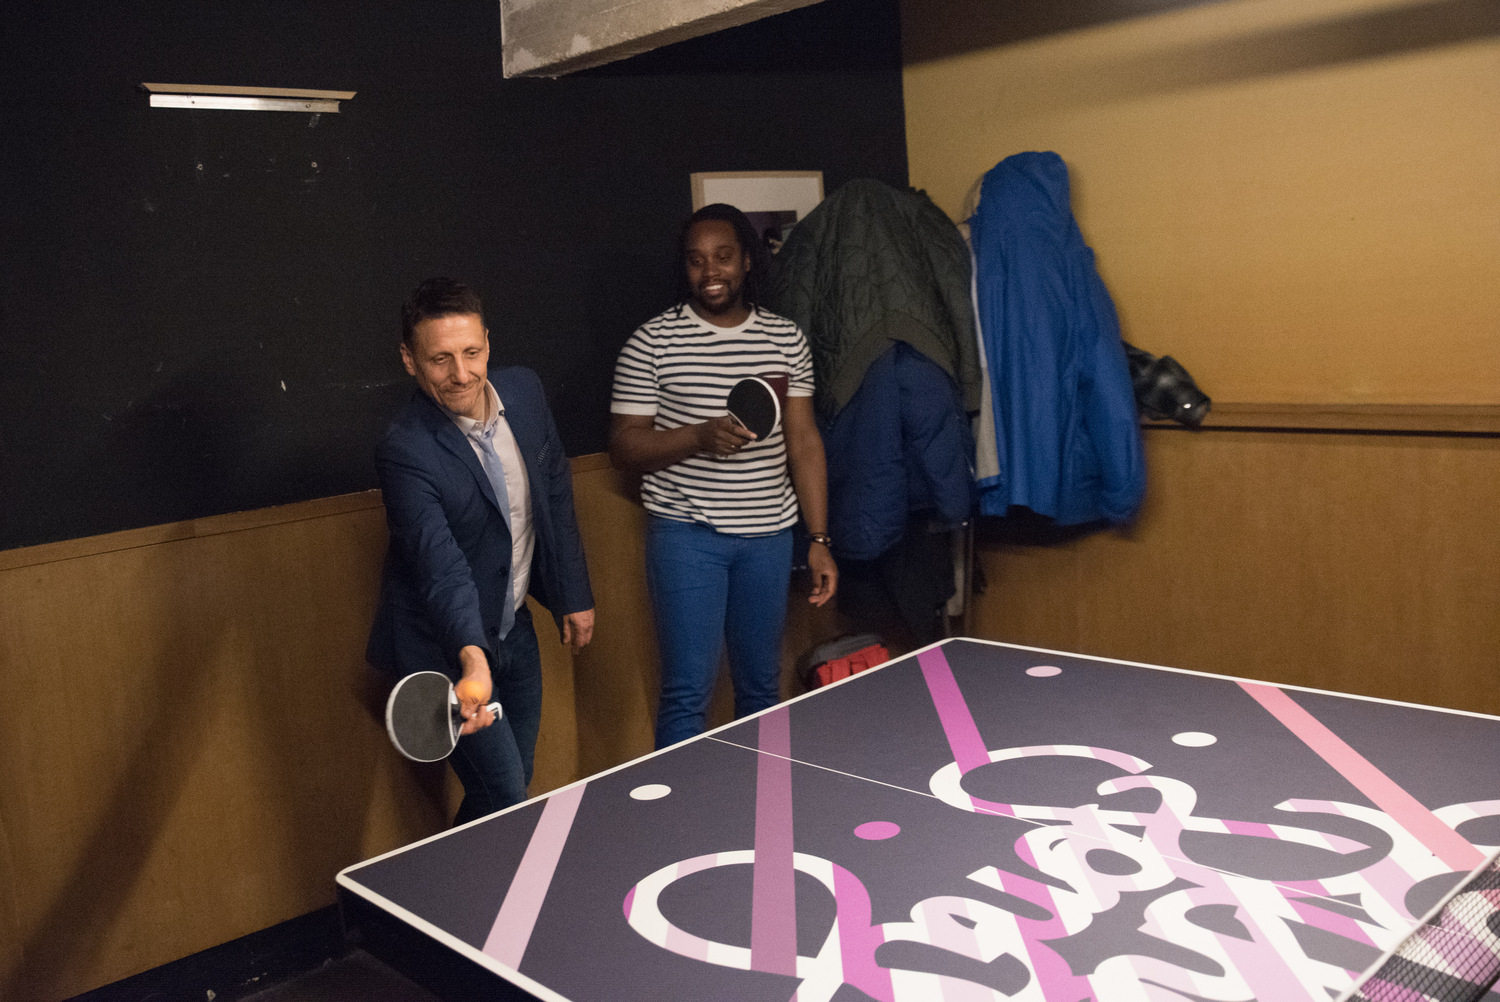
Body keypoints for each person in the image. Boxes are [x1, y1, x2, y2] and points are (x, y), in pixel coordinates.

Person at [367, 277, 595, 824]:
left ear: (488, 342)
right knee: (507, 797)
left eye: (471, 352)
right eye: (440, 359)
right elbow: (440, 568)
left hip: (515, 628)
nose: (462, 373)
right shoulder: (405, 449)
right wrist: (472, 657)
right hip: (442, 648)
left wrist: (573, 593)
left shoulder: (525, 392)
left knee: (511, 783)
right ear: (409, 359)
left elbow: (554, 491)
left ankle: (457, 876)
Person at [610, 204, 837, 748]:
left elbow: (804, 442)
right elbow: (623, 446)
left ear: (747, 262)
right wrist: (697, 436)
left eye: (723, 257)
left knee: (761, 685)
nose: (710, 271)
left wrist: (819, 539)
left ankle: (766, 796)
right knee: (688, 691)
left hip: (769, 538)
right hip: (687, 536)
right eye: (696, 260)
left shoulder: (785, 338)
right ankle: (679, 802)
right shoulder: (652, 342)